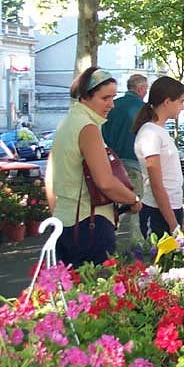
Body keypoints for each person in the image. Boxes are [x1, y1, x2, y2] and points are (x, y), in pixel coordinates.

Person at [45, 67, 142, 268]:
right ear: (86, 97)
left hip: (64, 223)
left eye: (113, 97)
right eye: (105, 98)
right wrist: (133, 199)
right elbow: (105, 182)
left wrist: (59, 212)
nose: (111, 105)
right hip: (90, 225)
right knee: (96, 293)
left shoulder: (67, 123)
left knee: (72, 295)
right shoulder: (88, 128)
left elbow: (49, 177)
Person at [132, 76, 184, 239]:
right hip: (157, 212)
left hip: (171, 207)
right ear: (167, 101)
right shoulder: (150, 132)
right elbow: (156, 184)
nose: (182, 107)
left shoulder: (159, 131)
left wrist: (177, 221)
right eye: (181, 101)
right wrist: (173, 224)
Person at [102, 73, 148, 241]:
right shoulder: (144, 109)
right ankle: (138, 243)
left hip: (113, 164)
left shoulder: (113, 106)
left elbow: (103, 133)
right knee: (137, 204)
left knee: (115, 206)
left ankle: (108, 239)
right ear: (141, 88)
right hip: (135, 163)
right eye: (146, 89)